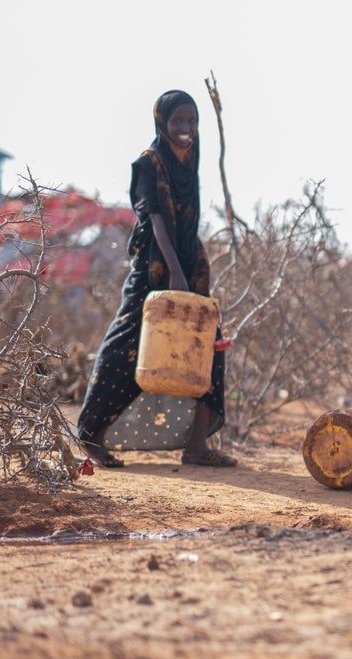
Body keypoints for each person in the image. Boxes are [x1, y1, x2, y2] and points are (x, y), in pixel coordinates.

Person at [77, 89, 236, 469]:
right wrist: (175, 274)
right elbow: (156, 220)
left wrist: (190, 266)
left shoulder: (190, 156)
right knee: (125, 349)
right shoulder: (148, 163)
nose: (186, 129)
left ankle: (196, 445)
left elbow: (187, 217)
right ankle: (90, 436)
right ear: (161, 123)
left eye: (192, 121)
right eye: (177, 121)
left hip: (189, 262)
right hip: (154, 268)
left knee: (208, 346)